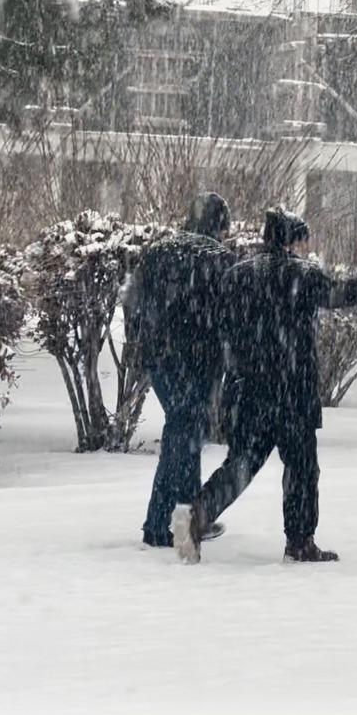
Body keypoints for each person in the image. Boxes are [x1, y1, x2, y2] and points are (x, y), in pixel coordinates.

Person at [171, 206, 357, 564]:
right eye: (303, 241)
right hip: (290, 391)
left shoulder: (237, 275)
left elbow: (217, 325)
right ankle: (300, 542)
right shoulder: (302, 274)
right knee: (301, 467)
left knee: (242, 463)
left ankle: (197, 515)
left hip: (245, 390)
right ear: (293, 241)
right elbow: (343, 294)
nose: (306, 249)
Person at [124, 192, 236, 548]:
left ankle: (175, 520)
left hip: (161, 359)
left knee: (182, 431)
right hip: (199, 362)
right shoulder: (221, 260)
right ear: (221, 225)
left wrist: (143, 344)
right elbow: (230, 318)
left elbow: (133, 303)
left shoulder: (158, 251)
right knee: (185, 433)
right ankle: (175, 521)